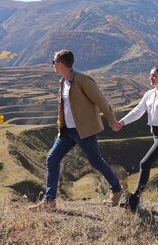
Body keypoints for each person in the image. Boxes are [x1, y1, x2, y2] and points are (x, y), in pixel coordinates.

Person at [29, 50, 123, 211]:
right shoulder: (63, 82)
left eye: (54, 62)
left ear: (60, 64)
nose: (53, 65)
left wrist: (112, 121)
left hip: (84, 130)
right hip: (67, 132)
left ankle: (116, 189)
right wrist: (61, 127)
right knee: (52, 159)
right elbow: (64, 107)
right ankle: (49, 201)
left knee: (96, 162)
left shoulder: (82, 80)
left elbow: (101, 101)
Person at [115, 66, 158, 212]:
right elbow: (138, 111)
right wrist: (122, 122)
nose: (150, 78)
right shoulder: (149, 94)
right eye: (150, 76)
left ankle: (134, 201)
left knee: (144, 163)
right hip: (156, 134)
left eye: (154, 76)